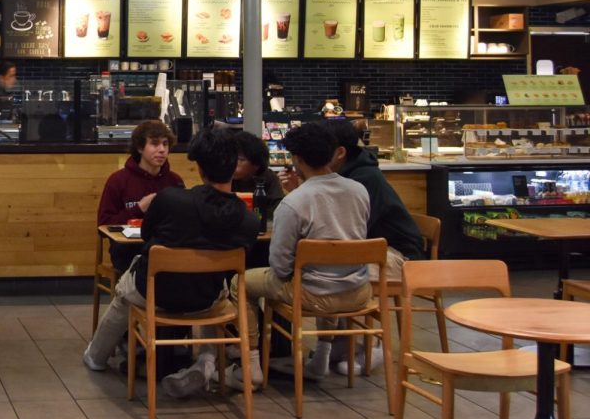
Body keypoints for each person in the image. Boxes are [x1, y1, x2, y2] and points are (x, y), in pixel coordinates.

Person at [83, 128, 260, 380]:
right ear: (235, 168)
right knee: (220, 295)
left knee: (124, 292)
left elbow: (146, 235)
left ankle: (96, 357)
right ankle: (207, 362)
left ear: (199, 168)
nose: (162, 150)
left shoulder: (171, 199)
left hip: (155, 293)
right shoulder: (249, 221)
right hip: (206, 299)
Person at [224, 121, 370, 389]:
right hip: (360, 290)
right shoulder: (359, 191)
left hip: (313, 294)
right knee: (329, 271)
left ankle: (251, 364)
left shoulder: (293, 203)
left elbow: (279, 266)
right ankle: (320, 359)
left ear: (297, 159)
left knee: (240, 282)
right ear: (332, 154)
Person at [280, 119, 424, 374]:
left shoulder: (364, 180)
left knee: (332, 272)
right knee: (331, 267)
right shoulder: (341, 176)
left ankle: (372, 349)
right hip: (365, 248)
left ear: (340, 152)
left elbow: (349, 232)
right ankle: (337, 344)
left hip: (398, 256)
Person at [95, 120, 184, 273]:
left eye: (165, 144)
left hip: (166, 248)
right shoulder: (118, 180)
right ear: (140, 148)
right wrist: (139, 209)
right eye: (155, 144)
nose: (162, 150)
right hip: (129, 251)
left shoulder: (174, 181)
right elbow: (103, 224)